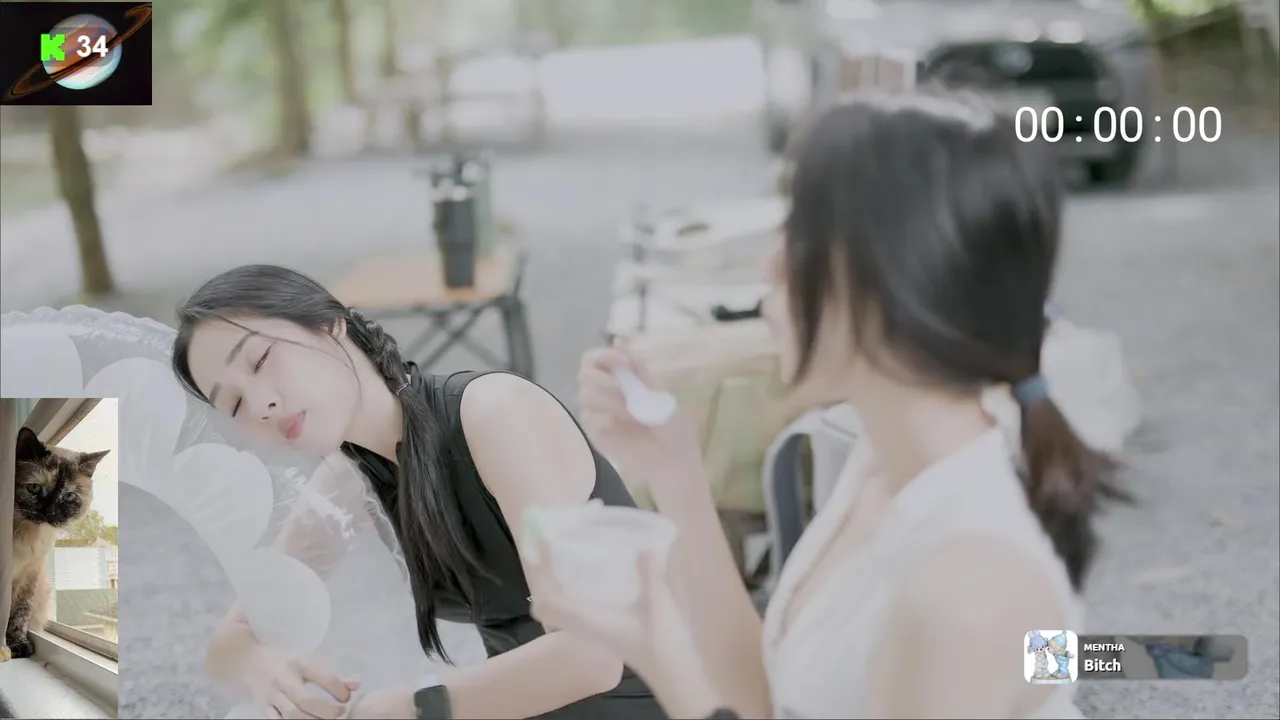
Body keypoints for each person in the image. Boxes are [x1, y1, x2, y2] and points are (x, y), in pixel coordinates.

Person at [525, 90, 1131, 719]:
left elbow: (1044, 651)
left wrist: (657, 647)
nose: (768, 267)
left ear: (887, 283)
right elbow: (767, 698)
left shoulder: (965, 589)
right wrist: (676, 472)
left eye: (796, 237)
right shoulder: (883, 458)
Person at [170, 265, 664, 720]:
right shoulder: (349, 482)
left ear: (328, 324)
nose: (261, 404)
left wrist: (416, 706)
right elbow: (233, 638)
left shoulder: (494, 415)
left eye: (260, 360)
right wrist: (259, 664)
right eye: (234, 404)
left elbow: (593, 655)